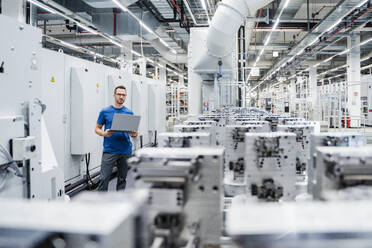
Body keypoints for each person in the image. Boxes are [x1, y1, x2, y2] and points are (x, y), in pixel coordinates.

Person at [95, 85, 138, 191]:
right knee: (104, 178)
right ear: (114, 95)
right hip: (110, 149)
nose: (121, 97)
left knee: (122, 179)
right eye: (119, 94)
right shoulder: (105, 111)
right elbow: (97, 128)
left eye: (123, 95)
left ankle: (120, 202)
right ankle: (101, 202)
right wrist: (104, 134)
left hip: (125, 150)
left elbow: (134, 133)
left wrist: (134, 133)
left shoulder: (129, 112)